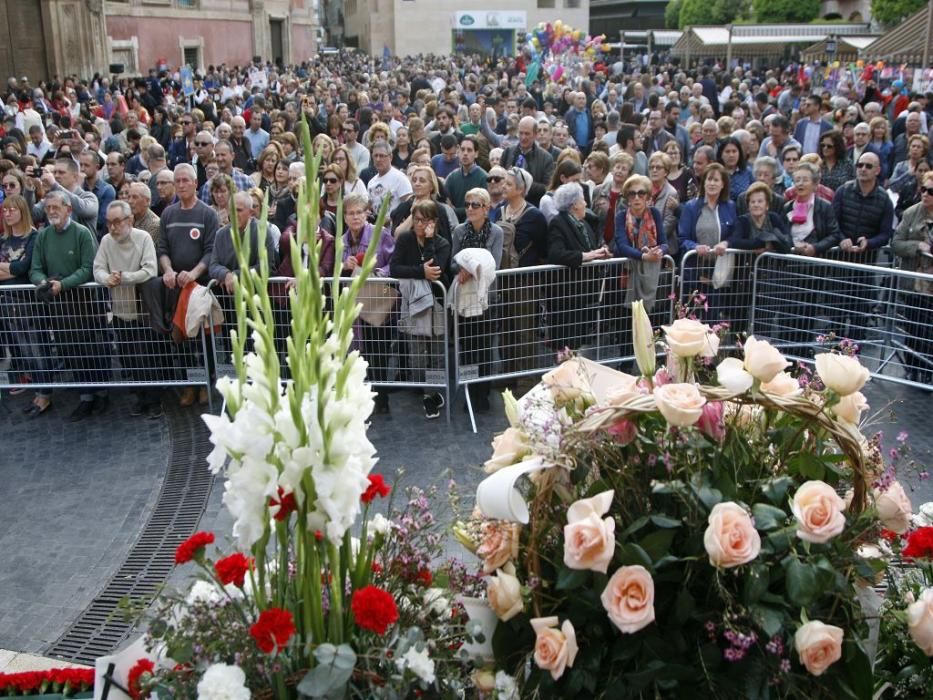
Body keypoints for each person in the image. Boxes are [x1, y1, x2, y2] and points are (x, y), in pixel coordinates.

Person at [28, 190, 109, 420]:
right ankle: (85, 397)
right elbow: (35, 268)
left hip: (83, 303)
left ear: (68, 209)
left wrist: (62, 284)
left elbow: (87, 268)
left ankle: (102, 394)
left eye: (56, 207)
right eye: (48, 208)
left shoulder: (82, 233)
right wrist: (43, 282)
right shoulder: (43, 236)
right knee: (70, 350)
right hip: (58, 305)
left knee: (93, 349)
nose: (52, 211)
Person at [92, 200, 162, 417]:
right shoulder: (105, 240)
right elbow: (98, 269)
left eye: (117, 222)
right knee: (128, 357)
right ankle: (140, 398)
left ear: (129, 220)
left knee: (147, 357)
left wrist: (124, 277)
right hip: (119, 307)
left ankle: (154, 401)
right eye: (109, 223)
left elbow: (151, 269)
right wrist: (107, 279)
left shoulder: (144, 238)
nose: (113, 227)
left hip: (142, 307)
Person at [157, 163, 219, 407]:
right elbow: (162, 249)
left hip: (199, 288)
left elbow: (210, 250)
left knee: (201, 339)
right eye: (177, 181)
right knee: (180, 339)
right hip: (175, 288)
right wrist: (168, 270)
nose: (181, 184)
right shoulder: (168, 215)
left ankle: (205, 384)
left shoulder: (207, 214)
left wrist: (194, 273)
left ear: (195, 183)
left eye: (185, 180)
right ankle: (189, 385)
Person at [390, 198, 451, 419]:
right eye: (416, 220)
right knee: (416, 354)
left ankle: (431, 394)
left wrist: (430, 240)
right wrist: (419, 271)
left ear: (434, 221)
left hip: (436, 304)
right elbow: (395, 268)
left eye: (425, 220)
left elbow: (436, 270)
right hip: (414, 305)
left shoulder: (442, 243)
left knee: (436, 354)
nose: (419, 224)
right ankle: (428, 393)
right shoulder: (405, 239)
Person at [340, 193, 395, 413]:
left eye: (359, 212)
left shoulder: (380, 234)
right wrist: (344, 265)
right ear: (344, 217)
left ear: (367, 213)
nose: (355, 217)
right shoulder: (341, 241)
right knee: (356, 353)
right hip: (352, 305)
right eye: (351, 213)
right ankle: (360, 402)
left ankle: (381, 401)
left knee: (378, 352)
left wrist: (377, 272)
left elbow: (393, 262)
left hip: (376, 302)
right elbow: (331, 270)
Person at [450, 188, 503, 412]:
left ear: (486, 208)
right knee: (468, 347)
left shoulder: (496, 232)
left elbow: (495, 263)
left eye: (475, 205)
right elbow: (452, 261)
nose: (469, 209)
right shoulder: (459, 231)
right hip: (463, 298)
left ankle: (483, 393)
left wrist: (470, 269)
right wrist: (462, 269)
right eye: (467, 204)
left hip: (486, 297)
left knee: (484, 347)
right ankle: (470, 392)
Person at [547, 182, 612, 350]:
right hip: (566, 296)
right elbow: (555, 253)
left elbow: (589, 248)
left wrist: (599, 253)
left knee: (577, 343)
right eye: (582, 200)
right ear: (574, 205)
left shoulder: (584, 223)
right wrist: (586, 256)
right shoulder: (558, 223)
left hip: (582, 294)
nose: (585, 203)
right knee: (567, 344)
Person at [612, 174, 669, 349]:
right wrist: (643, 256)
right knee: (627, 323)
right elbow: (621, 245)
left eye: (641, 193)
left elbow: (665, 243)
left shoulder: (655, 214)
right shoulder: (621, 216)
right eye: (632, 194)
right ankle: (626, 362)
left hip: (650, 276)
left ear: (648, 197)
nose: (637, 198)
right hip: (627, 276)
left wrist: (659, 251)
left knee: (650, 322)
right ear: (627, 197)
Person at [678, 163, 737, 323]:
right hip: (695, 271)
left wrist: (726, 243)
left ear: (723, 184)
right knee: (691, 319)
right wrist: (695, 247)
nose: (712, 183)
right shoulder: (691, 207)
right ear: (703, 182)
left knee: (713, 320)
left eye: (716, 180)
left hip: (719, 273)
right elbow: (682, 238)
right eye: (709, 179)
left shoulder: (730, 207)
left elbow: (735, 235)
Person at [891, 170, 933, 384]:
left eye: (931, 191)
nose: (925, 194)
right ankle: (912, 367)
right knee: (913, 325)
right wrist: (917, 246)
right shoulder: (911, 213)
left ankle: (928, 369)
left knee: (929, 329)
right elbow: (896, 243)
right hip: (914, 282)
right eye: (923, 189)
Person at [0, 194, 39, 397]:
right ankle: (25, 375)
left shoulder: (33, 237)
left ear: (22, 211)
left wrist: (11, 269)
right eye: (5, 210)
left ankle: (41, 385)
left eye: (12, 210)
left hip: (24, 300)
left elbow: (24, 267)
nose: (7, 213)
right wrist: (12, 269)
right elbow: (16, 268)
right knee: (15, 343)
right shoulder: (3, 240)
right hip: (6, 301)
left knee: (32, 344)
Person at [500, 116, 555, 206]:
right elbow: (500, 178)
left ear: (535, 134)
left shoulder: (546, 158)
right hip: (508, 205)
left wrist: (523, 184)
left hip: (532, 206)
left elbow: (547, 187)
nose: (523, 137)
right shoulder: (508, 152)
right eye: (521, 133)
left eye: (527, 134)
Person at [445, 135, 487, 221]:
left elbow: (480, 207)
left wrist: (455, 210)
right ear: (458, 151)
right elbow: (446, 204)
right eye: (462, 149)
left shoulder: (483, 177)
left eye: (469, 150)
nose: (465, 153)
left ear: (476, 154)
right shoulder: (452, 177)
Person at [367, 141, 413, 216]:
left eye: (382, 156)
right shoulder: (371, 183)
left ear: (390, 157)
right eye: (375, 156)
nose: (378, 159)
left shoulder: (400, 178)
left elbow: (409, 205)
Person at [646, 152, 680, 254]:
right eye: (651, 167)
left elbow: (668, 225)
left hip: (664, 249)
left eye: (658, 167)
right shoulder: (645, 188)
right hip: (645, 245)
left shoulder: (671, 193)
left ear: (666, 172)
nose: (654, 170)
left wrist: (649, 240)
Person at [79, 150, 115, 240]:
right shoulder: (78, 187)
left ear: (97, 167)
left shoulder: (107, 189)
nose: (82, 169)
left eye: (86, 165)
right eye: (81, 165)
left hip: (97, 238)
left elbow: (101, 222)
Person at [718, 136, 753, 201]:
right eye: (727, 152)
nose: (731, 155)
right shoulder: (716, 172)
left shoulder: (748, 172)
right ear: (721, 154)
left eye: (734, 151)